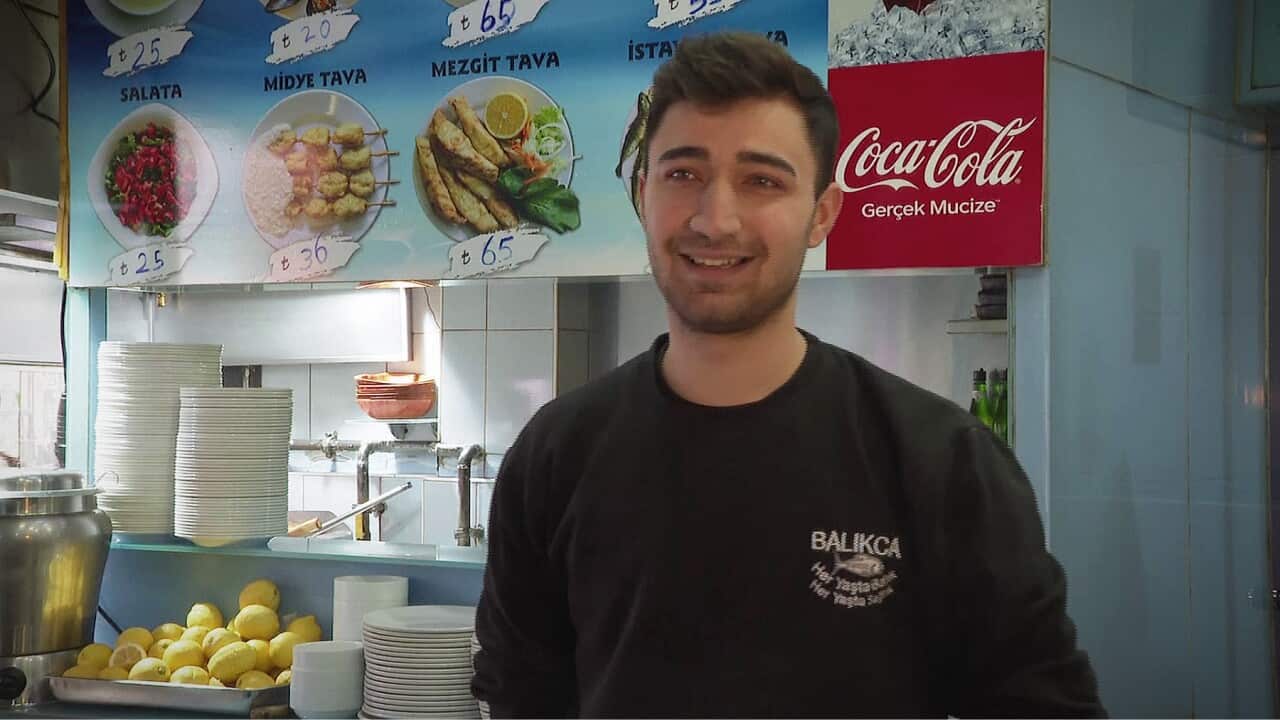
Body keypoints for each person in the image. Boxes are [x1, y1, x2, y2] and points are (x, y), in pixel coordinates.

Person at [471, 31, 1105, 718]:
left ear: (821, 215)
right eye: (683, 173)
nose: (716, 219)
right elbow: (521, 699)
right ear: (642, 194)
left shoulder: (942, 462)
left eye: (762, 180)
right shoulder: (554, 455)